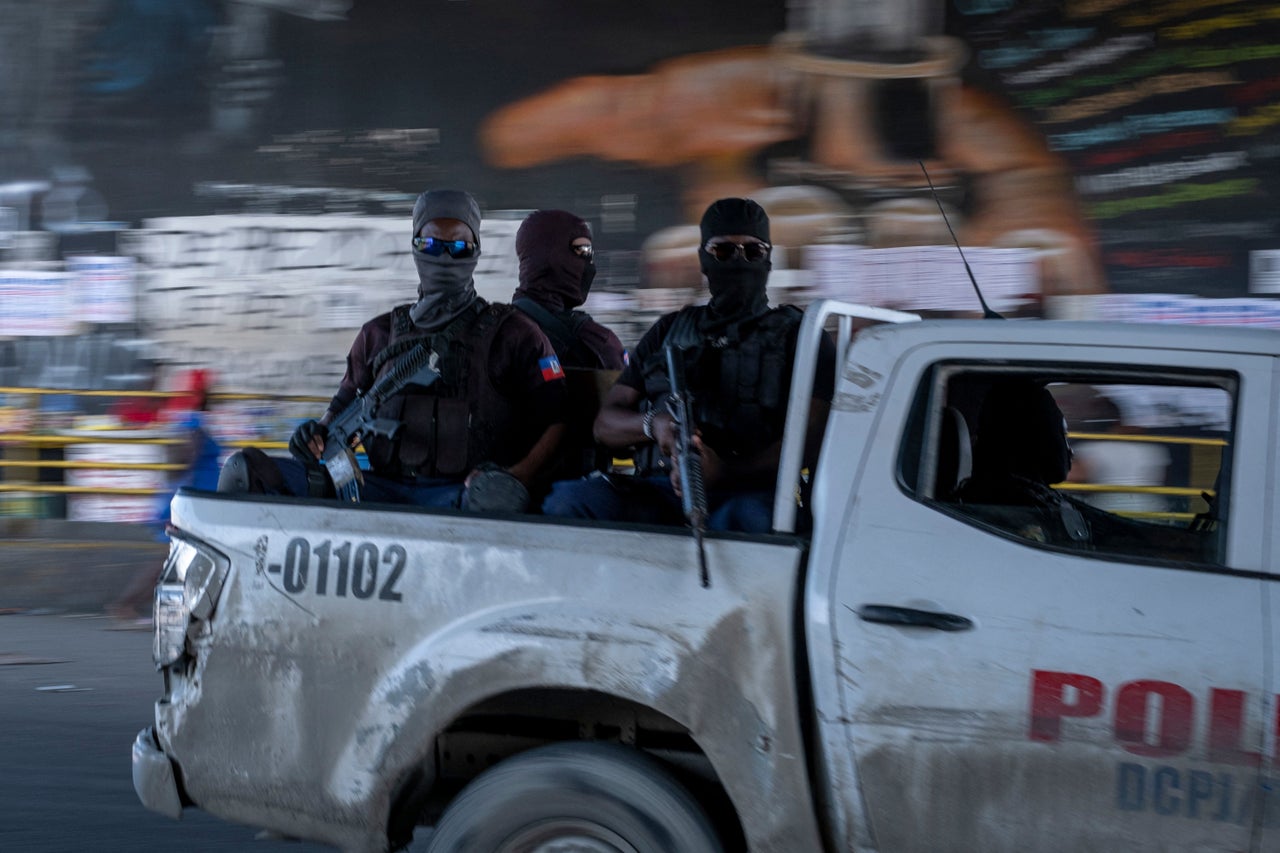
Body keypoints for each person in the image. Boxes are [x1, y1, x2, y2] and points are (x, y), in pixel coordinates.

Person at [219, 189, 567, 512]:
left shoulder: (513, 333)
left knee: (496, 499)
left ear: (475, 250)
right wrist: (317, 435)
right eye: (432, 244)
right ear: (415, 246)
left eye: (458, 246)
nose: (444, 256)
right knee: (246, 471)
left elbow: (560, 420)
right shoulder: (378, 334)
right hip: (375, 490)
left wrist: (517, 477)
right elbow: (341, 410)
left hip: (463, 499)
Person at [542, 197, 836, 533]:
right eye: (723, 251)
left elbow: (813, 443)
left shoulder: (802, 335)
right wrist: (655, 425)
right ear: (704, 259)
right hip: (661, 489)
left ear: (768, 259)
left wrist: (725, 470)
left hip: (747, 492)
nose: (739, 262)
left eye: (752, 251)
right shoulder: (668, 330)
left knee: (751, 522)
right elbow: (605, 425)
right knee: (569, 501)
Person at [511, 209, 627, 480]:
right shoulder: (598, 342)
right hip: (578, 484)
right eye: (582, 250)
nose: (590, 264)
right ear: (548, 253)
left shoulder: (494, 330)